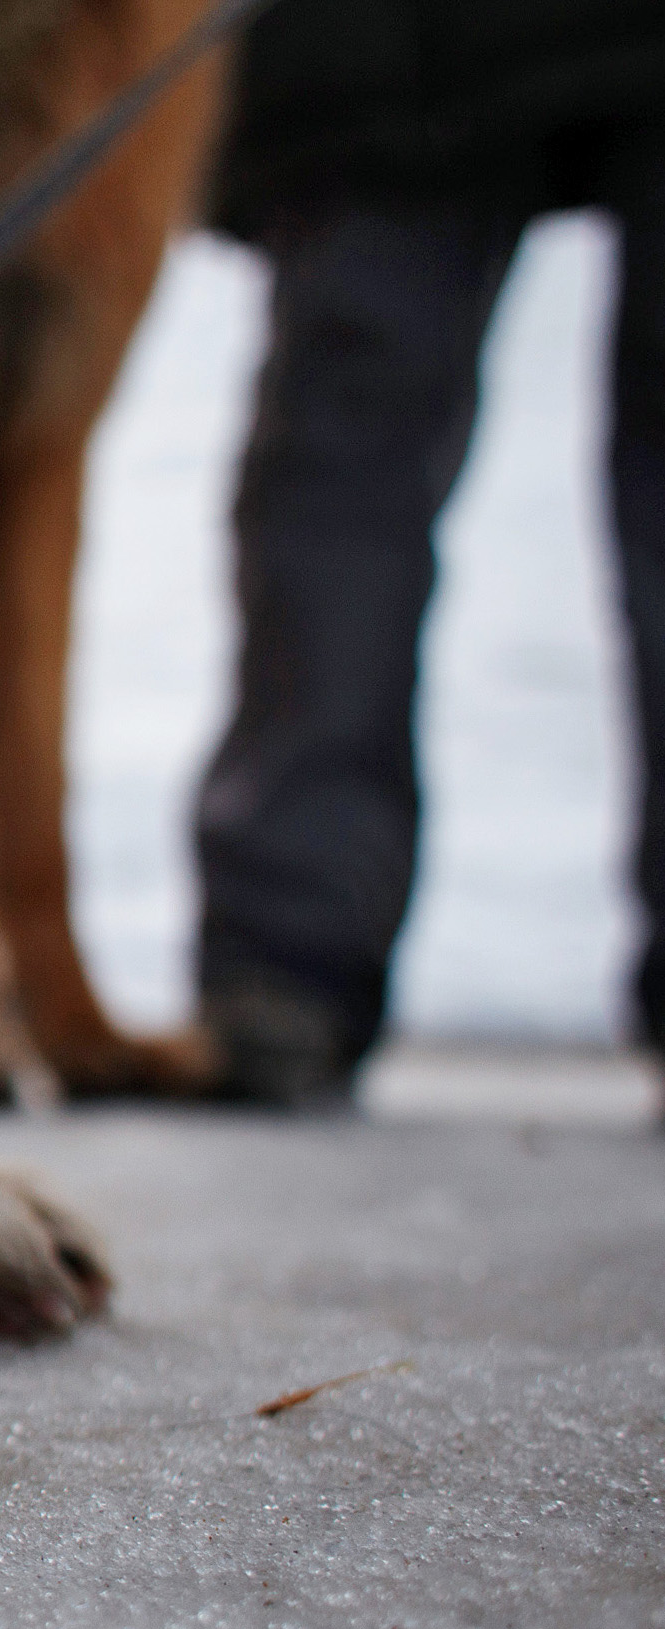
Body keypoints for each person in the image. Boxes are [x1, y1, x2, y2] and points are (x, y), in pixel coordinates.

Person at [192, 0, 665, 1106]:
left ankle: (281, 965)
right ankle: (281, 964)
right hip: (383, 53)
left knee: (340, 456)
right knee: (344, 448)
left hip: (385, 54)